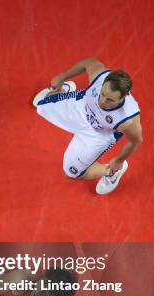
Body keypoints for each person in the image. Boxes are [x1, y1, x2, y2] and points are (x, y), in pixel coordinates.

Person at [33, 57, 143, 194]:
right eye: (102, 94)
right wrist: (62, 77)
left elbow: (136, 141)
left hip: (98, 134)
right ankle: (64, 89)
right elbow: (89, 63)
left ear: (124, 97)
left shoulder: (128, 119)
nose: (102, 101)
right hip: (82, 109)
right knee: (41, 105)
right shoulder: (99, 77)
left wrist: (119, 160)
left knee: (71, 172)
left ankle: (111, 172)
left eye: (110, 100)